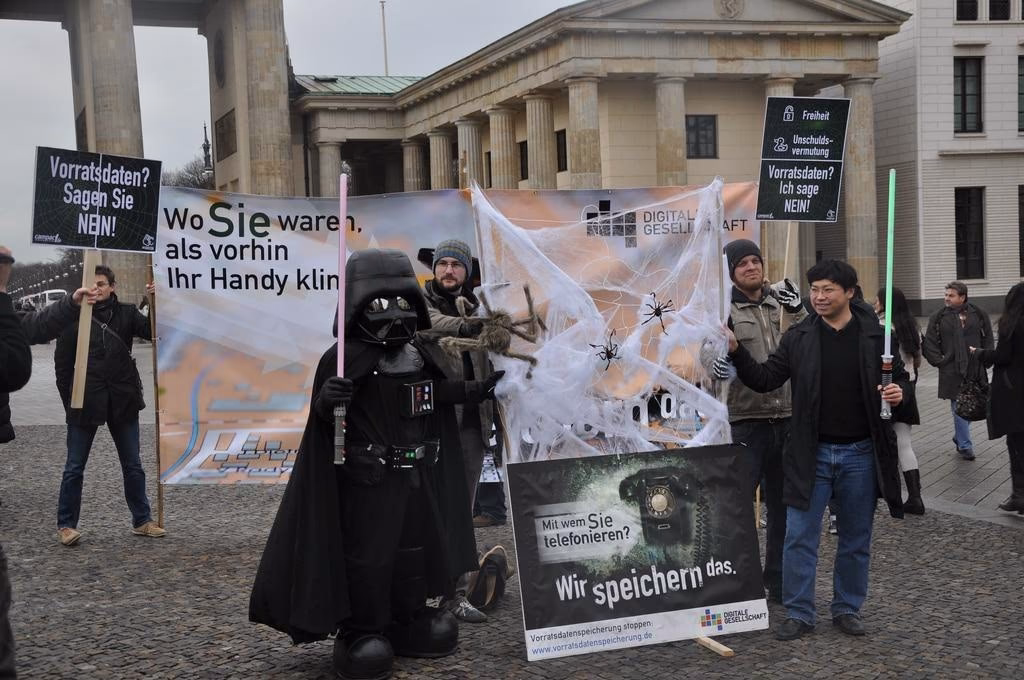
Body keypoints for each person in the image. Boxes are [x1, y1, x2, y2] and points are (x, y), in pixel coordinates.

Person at [250, 249, 498, 680]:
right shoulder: (343, 358)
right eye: (381, 303)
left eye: (403, 302)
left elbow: (432, 396)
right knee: (370, 556)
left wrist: (473, 391)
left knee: (413, 549)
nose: (395, 313)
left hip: (416, 478)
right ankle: (362, 628)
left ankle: (407, 616)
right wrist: (326, 402)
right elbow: (323, 427)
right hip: (368, 485)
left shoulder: (418, 355)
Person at [725, 259, 907, 640]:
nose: (819, 297)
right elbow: (766, 379)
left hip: (860, 454)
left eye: (828, 290)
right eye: (815, 290)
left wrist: (898, 393)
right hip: (812, 453)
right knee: (799, 536)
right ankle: (799, 611)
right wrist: (737, 351)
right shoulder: (800, 337)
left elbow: (900, 382)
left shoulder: (875, 337)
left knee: (856, 538)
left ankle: (847, 607)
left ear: (849, 293)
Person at [704, 238, 803, 604]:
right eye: (742, 263)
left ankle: (777, 579)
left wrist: (800, 310)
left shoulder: (781, 303)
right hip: (746, 421)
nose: (751, 267)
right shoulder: (723, 308)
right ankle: (741, 581)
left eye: (755, 260)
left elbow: (806, 341)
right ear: (732, 272)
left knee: (783, 508)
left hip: (786, 417)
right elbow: (707, 348)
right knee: (738, 507)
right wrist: (713, 362)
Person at [52, 265, 163, 546]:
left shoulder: (127, 313)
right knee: (74, 467)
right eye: (92, 284)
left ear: (112, 287)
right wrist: (69, 402)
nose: (96, 288)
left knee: (133, 465)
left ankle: (142, 520)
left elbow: (153, 332)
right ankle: (66, 525)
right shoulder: (73, 317)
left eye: (101, 284)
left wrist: (156, 302)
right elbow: (62, 366)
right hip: (85, 400)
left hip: (122, 399)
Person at [419, 238, 498, 623]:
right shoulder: (420, 303)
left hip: (471, 427)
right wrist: (473, 323)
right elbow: (430, 326)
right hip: (433, 426)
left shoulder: (481, 306)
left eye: (456, 265)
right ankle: (418, 591)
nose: (448, 270)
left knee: (462, 515)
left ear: (467, 271)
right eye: (443, 263)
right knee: (427, 511)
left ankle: (455, 594)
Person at [922, 281, 993, 461]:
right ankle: (965, 445)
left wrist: (987, 357)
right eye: (946, 295)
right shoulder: (938, 316)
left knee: (976, 402)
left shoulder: (979, 313)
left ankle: (960, 435)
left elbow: (988, 337)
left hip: (975, 366)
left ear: (962, 297)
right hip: (951, 368)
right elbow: (930, 342)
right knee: (958, 405)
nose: (946, 298)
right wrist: (939, 361)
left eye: (951, 295)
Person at [970, 282, 1024, 513]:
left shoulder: (1011, 324)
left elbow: (1002, 356)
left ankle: (1019, 495)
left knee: (1017, 443)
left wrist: (980, 353)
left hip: (1014, 392)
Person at [875, 287, 925, 515]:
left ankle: (887, 491)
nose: (875, 303)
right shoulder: (912, 325)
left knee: (883, 443)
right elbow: (918, 360)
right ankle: (915, 496)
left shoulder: (882, 326)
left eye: (878, 300)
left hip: (889, 386)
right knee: (904, 443)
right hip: (909, 387)